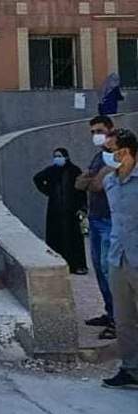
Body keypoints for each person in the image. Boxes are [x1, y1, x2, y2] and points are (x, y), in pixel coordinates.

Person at [101, 128, 138, 389]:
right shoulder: (109, 182)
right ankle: (131, 368)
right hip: (118, 258)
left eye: (111, 150)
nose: (107, 155)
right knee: (123, 319)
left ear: (126, 152)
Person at [75, 116, 116, 339]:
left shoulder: (118, 157)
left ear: (111, 130)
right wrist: (92, 179)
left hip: (111, 220)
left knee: (110, 271)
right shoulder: (98, 156)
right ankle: (110, 313)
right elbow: (80, 183)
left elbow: (97, 184)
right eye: (92, 132)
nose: (96, 136)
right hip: (95, 217)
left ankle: (119, 320)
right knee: (99, 269)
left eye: (99, 131)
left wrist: (92, 179)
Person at [34, 148, 88, 275]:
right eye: (55, 156)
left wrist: (82, 207)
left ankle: (76, 266)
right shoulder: (51, 171)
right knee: (56, 238)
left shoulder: (74, 170)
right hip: (55, 211)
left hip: (72, 211)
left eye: (60, 156)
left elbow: (81, 190)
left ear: (66, 157)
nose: (57, 158)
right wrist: (48, 191)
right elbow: (37, 178)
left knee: (74, 238)